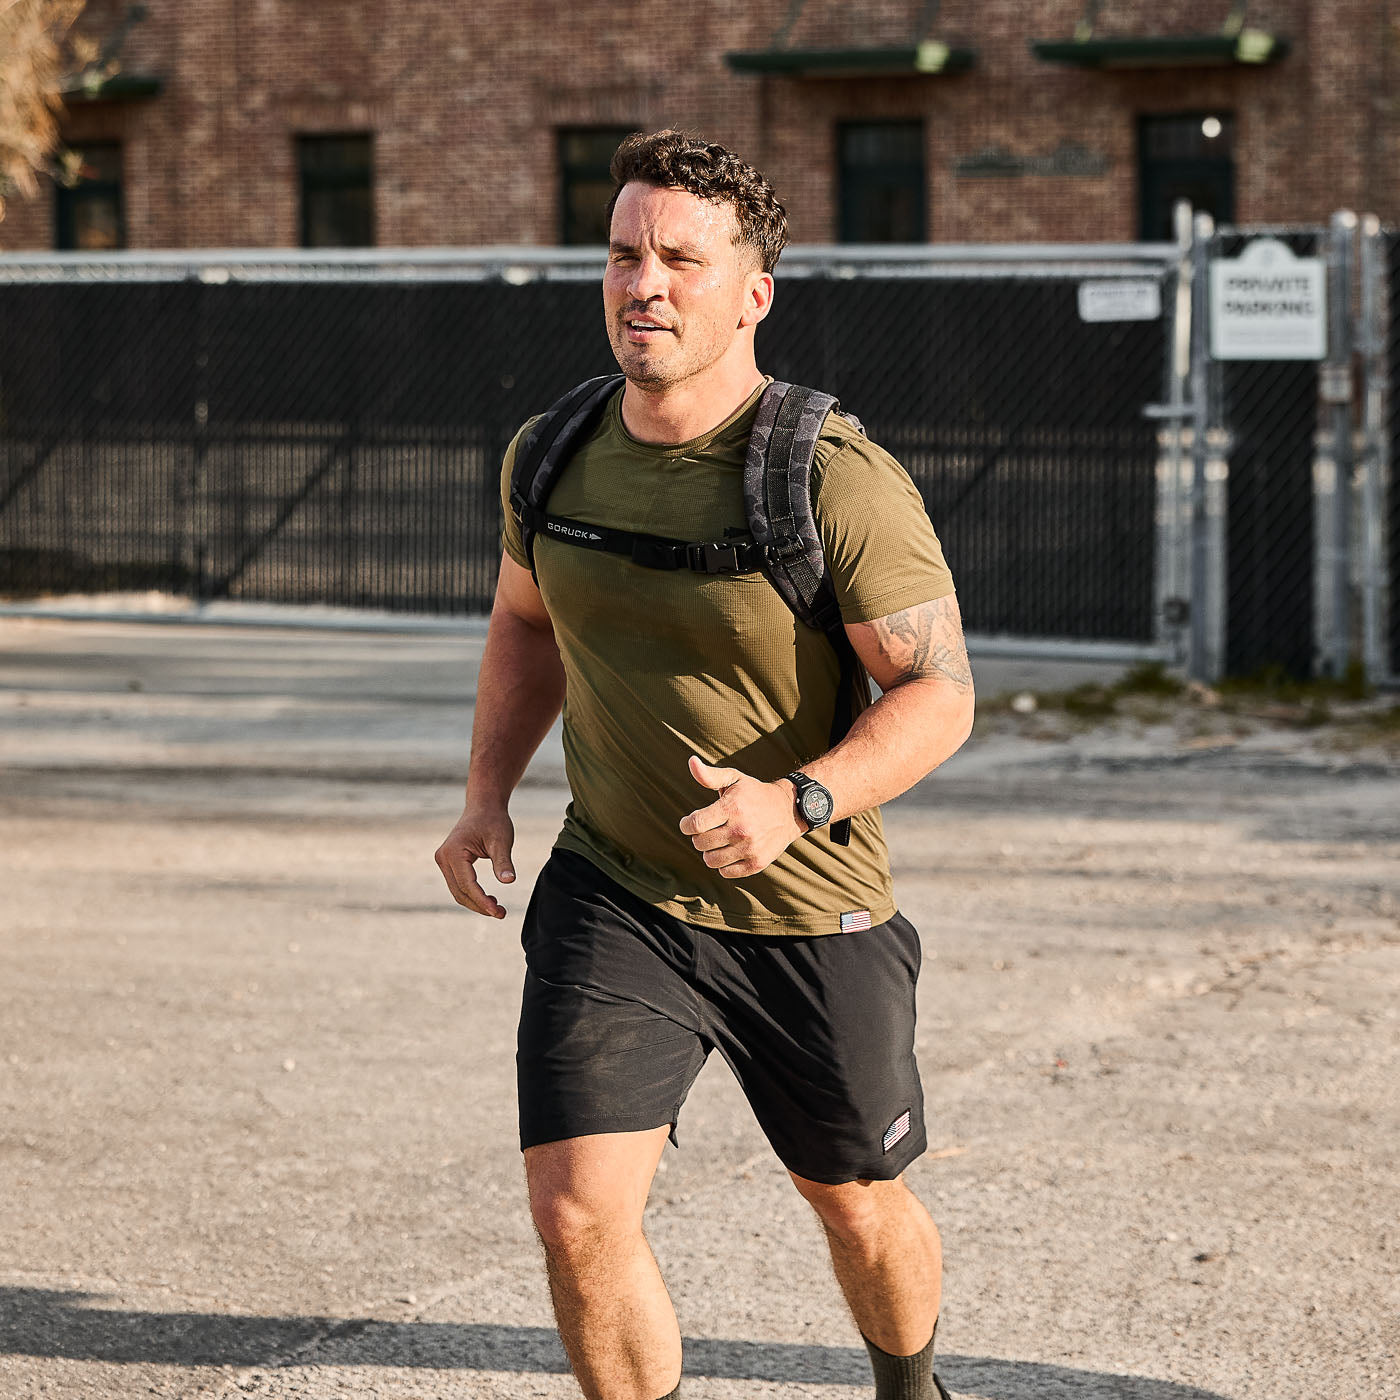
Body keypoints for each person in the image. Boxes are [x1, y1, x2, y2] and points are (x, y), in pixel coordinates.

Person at [435, 129, 975, 1400]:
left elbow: (938, 692)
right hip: (616, 886)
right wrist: (482, 796)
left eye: (680, 256)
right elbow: (524, 623)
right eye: (623, 253)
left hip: (804, 905)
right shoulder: (550, 450)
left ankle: (912, 1386)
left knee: (854, 1201)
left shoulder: (829, 476)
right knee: (575, 1211)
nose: (644, 283)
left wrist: (801, 800)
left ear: (751, 292)